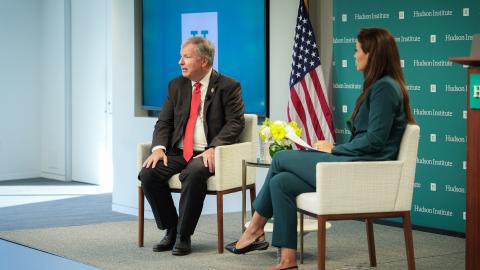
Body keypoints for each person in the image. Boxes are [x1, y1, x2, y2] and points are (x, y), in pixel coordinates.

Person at [225, 27, 415, 270]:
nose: (355, 55)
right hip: (355, 163)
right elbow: (371, 139)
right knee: (280, 182)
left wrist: (334, 149)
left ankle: (254, 228)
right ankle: (288, 259)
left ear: (372, 53)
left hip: (361, 169)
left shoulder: (385, 88)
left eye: (357, 50)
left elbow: (375, 141)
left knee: (282, 158)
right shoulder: (379, 85)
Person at [139, 36, 245, 256]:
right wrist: (158, 148)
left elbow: (236, 122)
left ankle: (184, 236)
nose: (180, 62)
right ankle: (171, 227)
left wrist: (215, 147)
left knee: (194, 173)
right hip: (178, 151)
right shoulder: (176, 85)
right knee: (148, 173)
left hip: (207, 153)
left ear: (204, 62)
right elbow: (165, 122)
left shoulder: (228, 86)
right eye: (181, 56)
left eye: (186, 57)